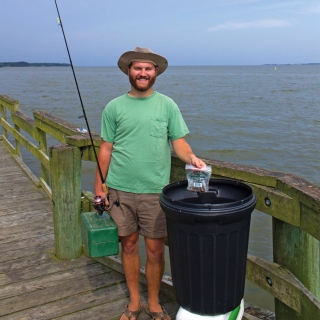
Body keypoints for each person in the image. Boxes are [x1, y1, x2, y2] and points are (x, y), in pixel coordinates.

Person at [94, 47, 206, 320]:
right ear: (129, 71)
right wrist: (100, 188)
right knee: (129, 246)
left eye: (148, 68)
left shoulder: (167, 105)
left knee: (155, 250)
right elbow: (106, 149)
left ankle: (154, 303)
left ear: (155, 73)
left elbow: (178, 142)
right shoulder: (114, 107)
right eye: (137, 68)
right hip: (119, 189)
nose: (142, 73)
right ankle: (134, 302)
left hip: (156, 192)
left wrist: (191, 157)